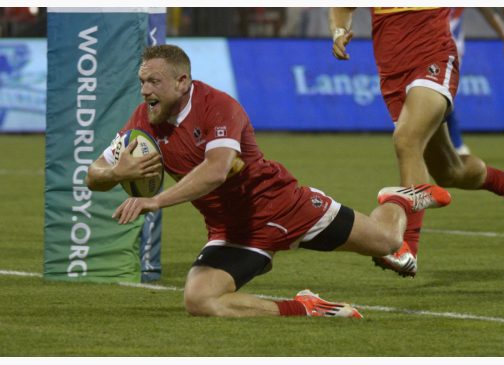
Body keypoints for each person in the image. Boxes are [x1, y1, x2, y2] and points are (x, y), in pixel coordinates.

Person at [86, 44, 451, 318]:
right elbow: (94, 175)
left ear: (182, 82)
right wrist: (118, 173)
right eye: (142, 82)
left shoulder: (218, 107)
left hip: (283, 205)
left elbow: (215, 170)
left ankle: (398, 199)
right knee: (198, 300)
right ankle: (306, 307)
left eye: (154, 82)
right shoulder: (143, 121)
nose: (145, 91)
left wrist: (154, 201)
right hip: (232, 232)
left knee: (388, 241)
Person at [329, 7, 504, 277]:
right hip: (391, 70)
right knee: (449, 171)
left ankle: (407, 247)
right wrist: (338, 31)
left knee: (407, 140)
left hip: (434, 56)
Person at [447, 7, 504, 155]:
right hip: (425, 46)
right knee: (436, 96)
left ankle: (456, 144)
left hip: (451, 49)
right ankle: (453, 145)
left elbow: (488, 12)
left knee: (444, 96)